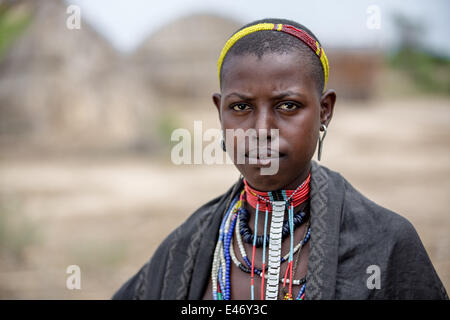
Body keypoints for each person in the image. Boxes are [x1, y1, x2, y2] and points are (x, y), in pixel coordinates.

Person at [112, 18, 448, 300]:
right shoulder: (186, 247)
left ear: (324, 111)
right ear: (219, 113)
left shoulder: (384, 244)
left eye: (287, 106)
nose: (261, 130)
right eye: (240, 107)